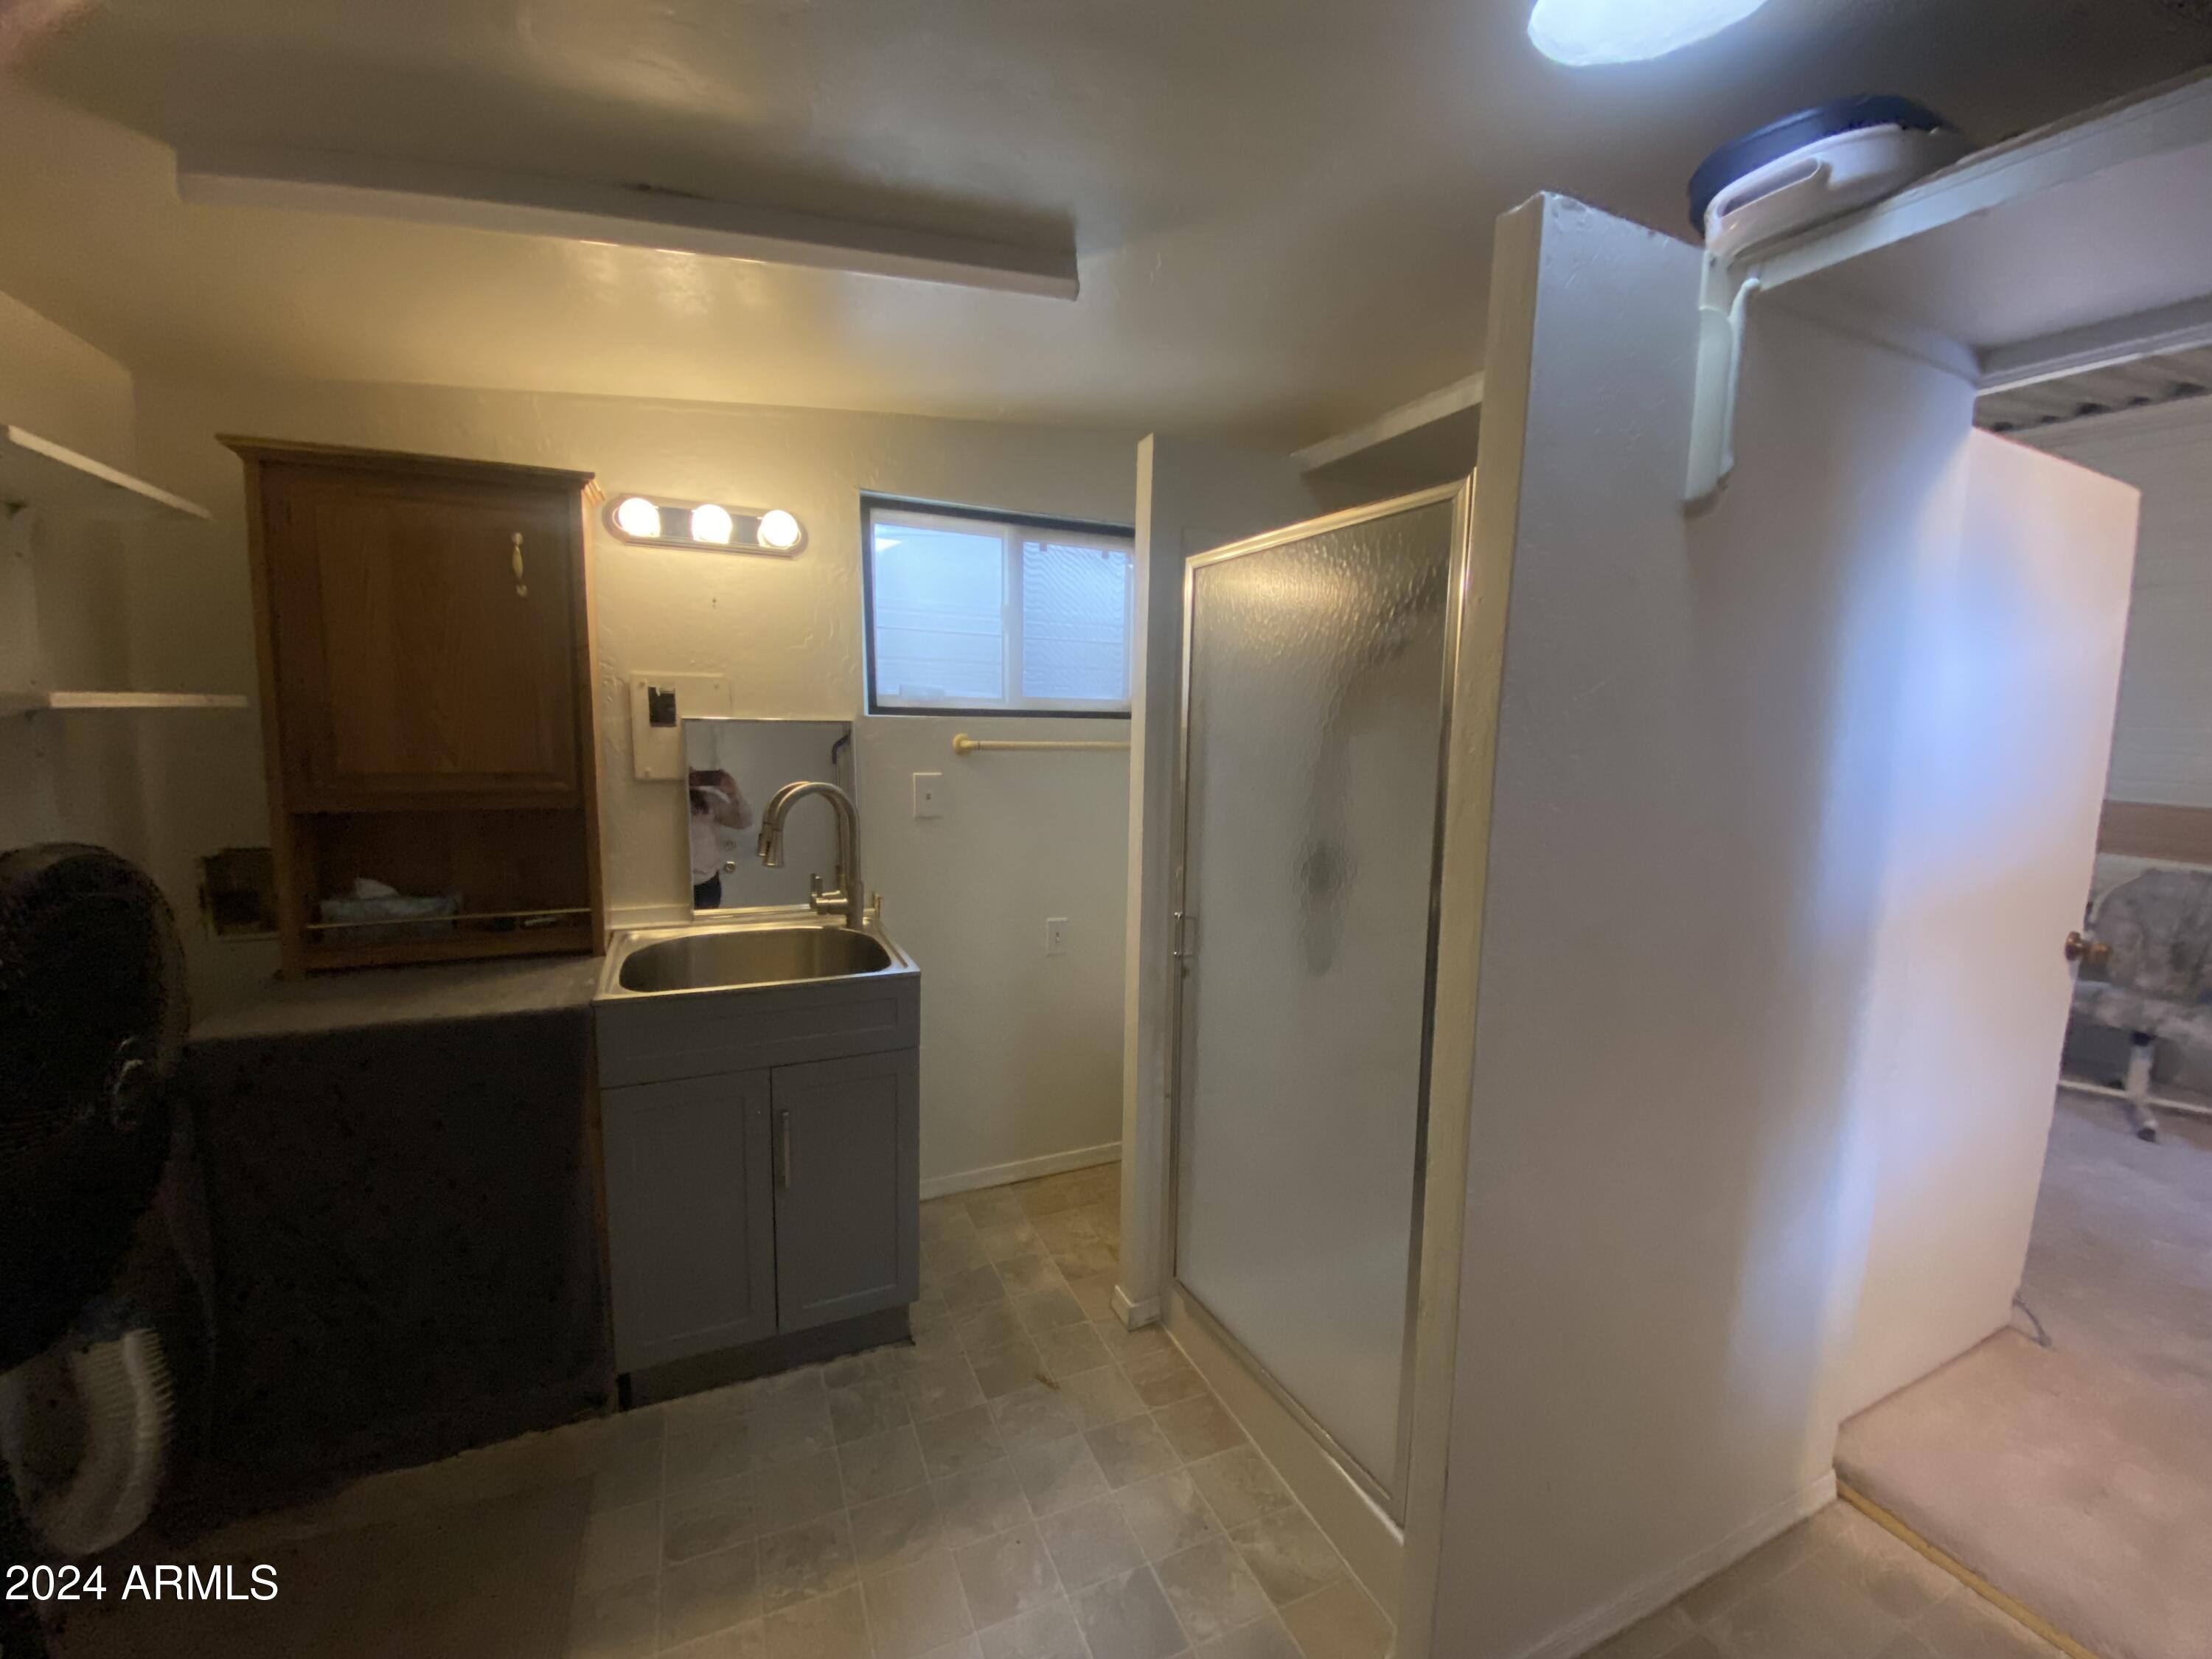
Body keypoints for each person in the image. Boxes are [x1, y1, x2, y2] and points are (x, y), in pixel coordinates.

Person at [689, 768, 753, 909]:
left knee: (706, 930)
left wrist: (733, 792)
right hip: (671, 885)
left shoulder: (706, 800)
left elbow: (743, 821)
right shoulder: (662, 803)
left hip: (706, 883)